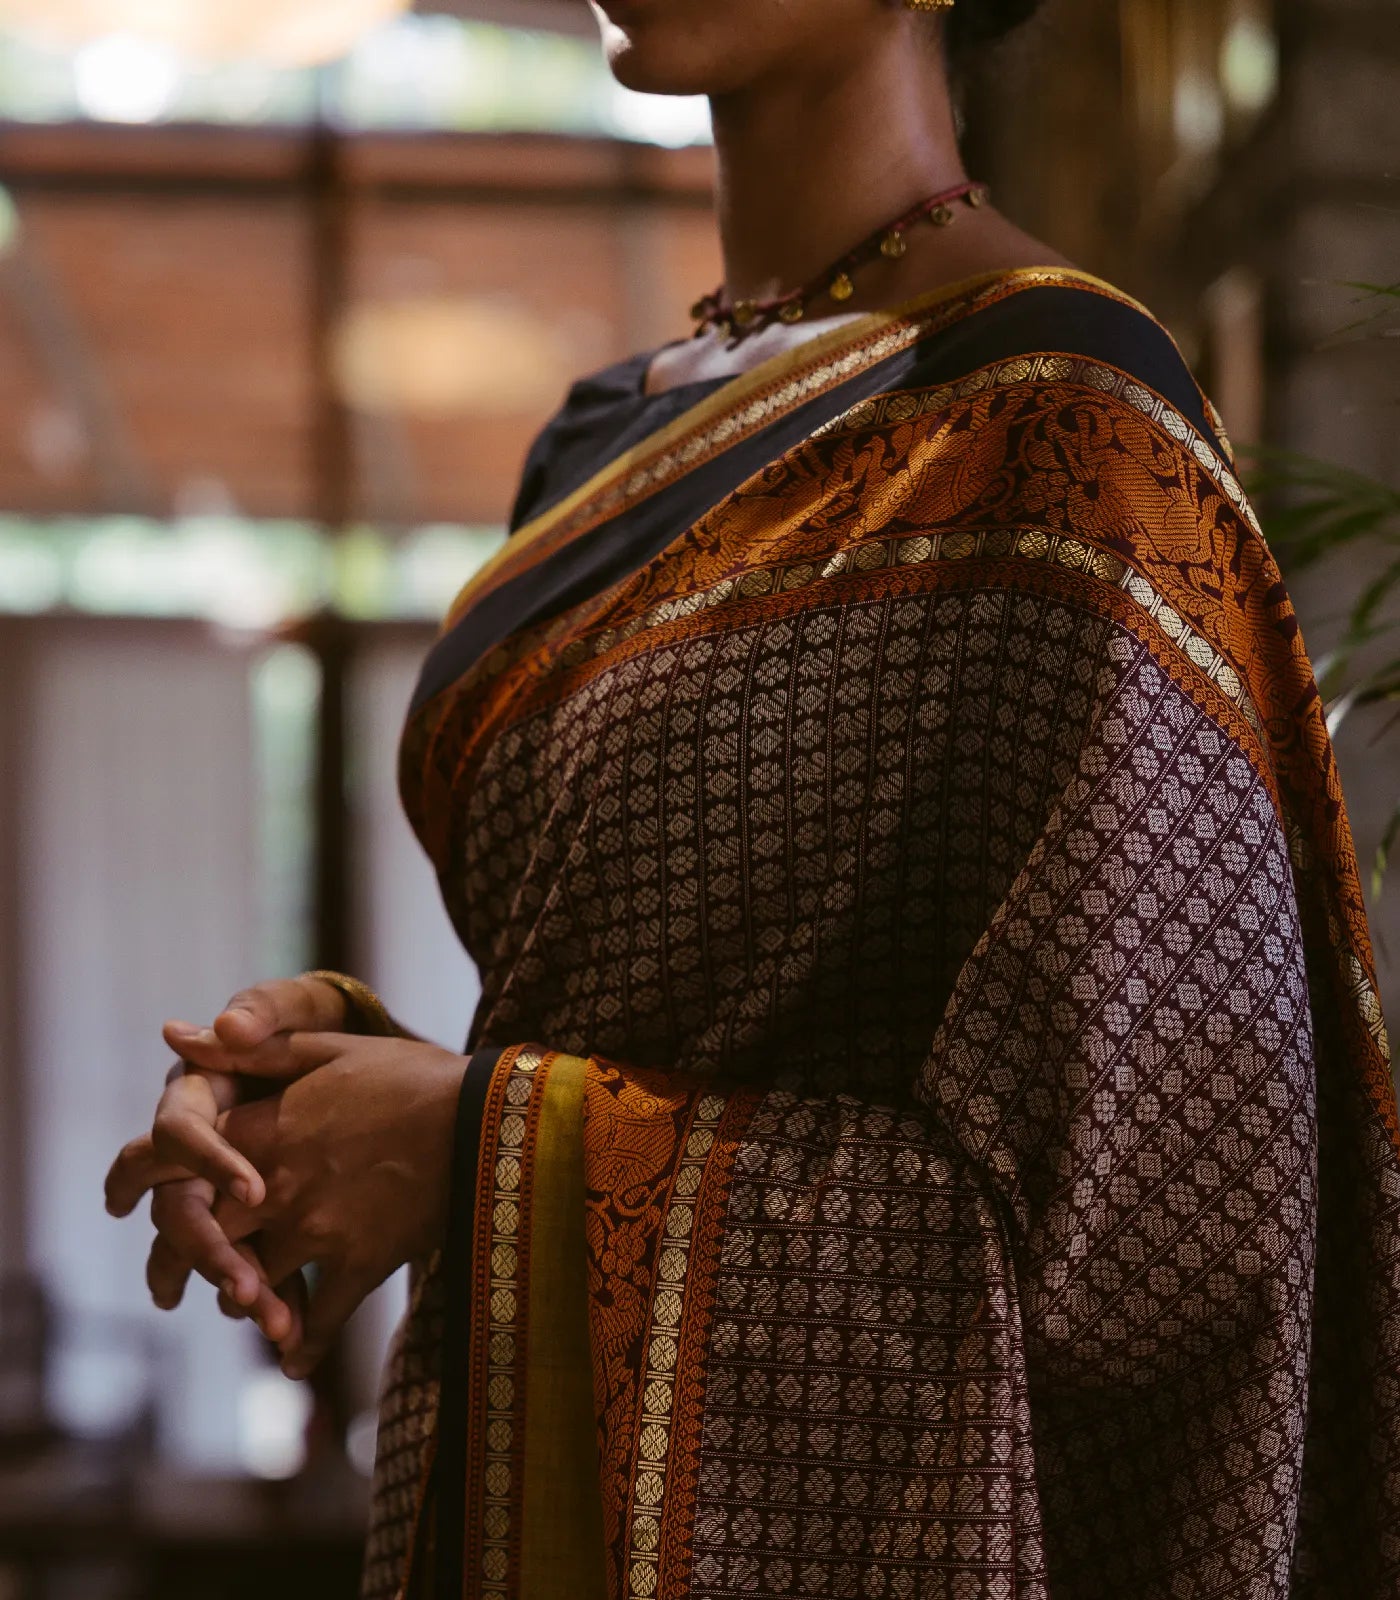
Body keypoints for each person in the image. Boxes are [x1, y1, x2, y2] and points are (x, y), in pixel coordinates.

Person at [105, 0, 1400, 1595]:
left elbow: (1163, 1229)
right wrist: (338, 1090)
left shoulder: (1064, 430)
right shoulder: (596, 439)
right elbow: (632, 1015)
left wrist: (475, 1151)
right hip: (508, 1482)